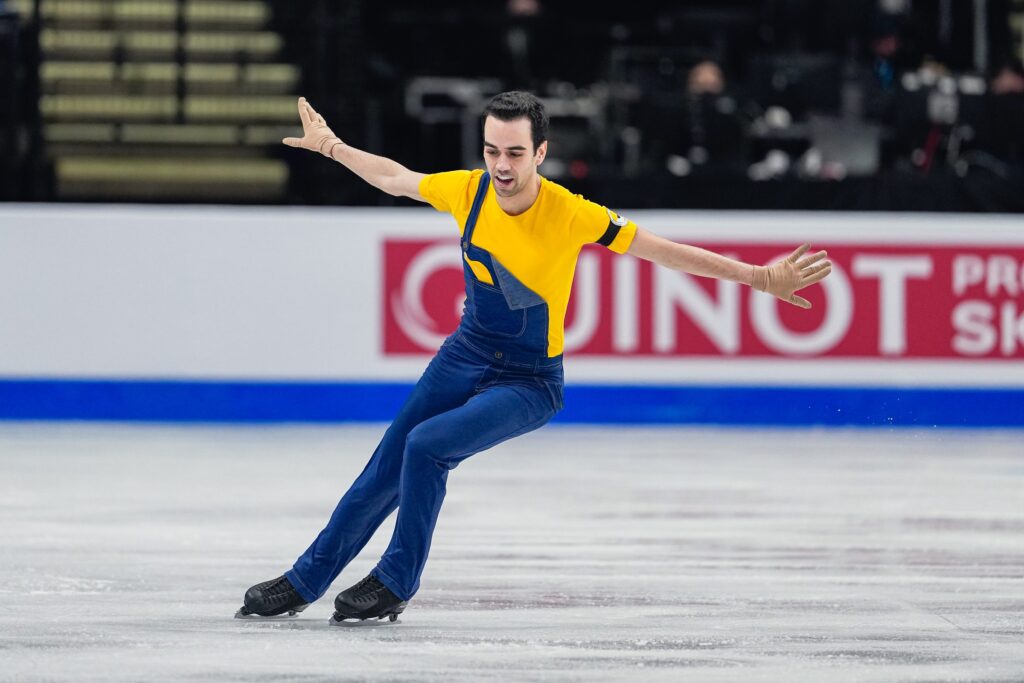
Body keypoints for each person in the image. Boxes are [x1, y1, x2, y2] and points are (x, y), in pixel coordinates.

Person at [237, 91, 832, 624]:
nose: (501, 165)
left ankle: (394, 582)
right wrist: (333, 147)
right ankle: (303, 580)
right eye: (493, 150)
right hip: (464, 354)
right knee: (385, 464)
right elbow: (397, 178)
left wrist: (757, 276)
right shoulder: (468, 190)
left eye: (515, 153)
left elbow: (662, 252)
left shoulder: (570, 212)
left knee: (426, 448)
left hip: (528, 381)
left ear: (540, 152)